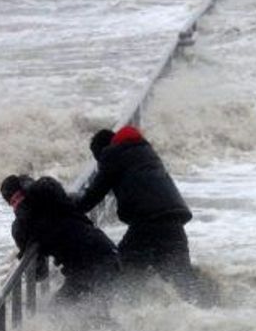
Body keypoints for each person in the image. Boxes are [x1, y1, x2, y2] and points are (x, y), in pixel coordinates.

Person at [74, 125, 202, 302]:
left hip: (146, 224)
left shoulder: (112, 155)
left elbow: (93, 196)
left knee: (122, 274)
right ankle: (207, 317)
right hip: (173, 221)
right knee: (184, 283)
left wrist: (65, 208)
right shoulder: (144, 151)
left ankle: (116, 318)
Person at [1, 174, 121, 307]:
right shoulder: (26, 226)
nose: (18, 204)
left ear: (26, 190)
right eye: (13, 202)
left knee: (98, 313)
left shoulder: (50, 197)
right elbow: (40, 274)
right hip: (80, 271)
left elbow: (47, 187)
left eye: (18, 197)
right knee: (57, 312)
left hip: (102, 260)